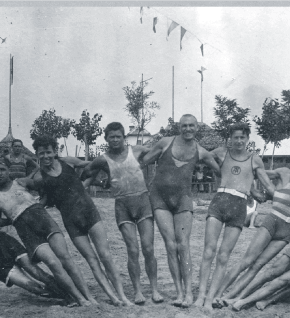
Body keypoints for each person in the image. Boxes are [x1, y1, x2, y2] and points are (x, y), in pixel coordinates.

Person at [212, 153, 290, 307]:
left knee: (258, 265)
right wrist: (248, 183)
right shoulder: (283, 173)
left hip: (288, 231)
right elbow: (255, 172)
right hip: (272, 221)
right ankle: (216, 294)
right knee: (247, 261)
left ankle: (229, 297)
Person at [31, 135, 133, 306]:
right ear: (37, 154)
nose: (45, 156)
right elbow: (46, 198)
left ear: (55, 151)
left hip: (89, 212)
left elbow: (95, 164)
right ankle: (112, 297)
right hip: (71, 222)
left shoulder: (68, 162)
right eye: (41, 154)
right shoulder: (39, 177)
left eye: (48, 152)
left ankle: (122, 296)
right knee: (91, 260)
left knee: (105, 255)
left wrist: (107, 177)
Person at [0, 157, 97, 307]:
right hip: (26, 230)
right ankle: (79, 298)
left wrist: (41, 204)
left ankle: (89, 296)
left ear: (8, 171)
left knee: (65, 258)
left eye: (2, 170)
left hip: (43, 220)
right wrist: (13, 217)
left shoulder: (21, 182)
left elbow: (45, 187)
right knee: (53, 263)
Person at [142, 114, 221, 307]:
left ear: (196, 128)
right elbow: (144, 161)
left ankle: (188, 293)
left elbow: (221, 171)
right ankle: (178, 292)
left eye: (191, 126)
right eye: (184, 126)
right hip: (159, 198)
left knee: (183, 245)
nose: (188, 129)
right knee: (171, 245)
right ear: (179, 127)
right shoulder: (164, 143)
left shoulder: (201, 152)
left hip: (183, 200)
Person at [194, 123, 275, 310]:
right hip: (219, 201)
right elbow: (201, 155)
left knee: (223, 256)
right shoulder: (222, 152)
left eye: (242, 137)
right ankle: (200, 295)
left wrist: (268, 194)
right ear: (230, 138)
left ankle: (210, 298)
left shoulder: (255, 160)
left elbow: (268, 186)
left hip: (238, 207)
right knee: (208, 251)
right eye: (235, 137)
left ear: (248, 139)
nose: (239, 141)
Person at [83, 122, 163, 305]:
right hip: (122, 205)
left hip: (142, 201)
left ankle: (155, 289)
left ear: (124, 137)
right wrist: (101, 182)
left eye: (118, 136)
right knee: (132, 250)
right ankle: (137, 291)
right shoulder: (102, 160)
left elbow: (158, 151)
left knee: (148, 248)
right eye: (112, 137)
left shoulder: (136, 151)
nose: (115, 140)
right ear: (106, 139)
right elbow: (86, 171)